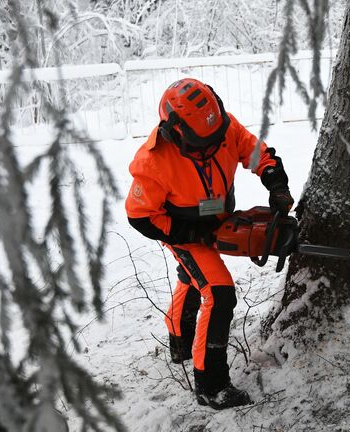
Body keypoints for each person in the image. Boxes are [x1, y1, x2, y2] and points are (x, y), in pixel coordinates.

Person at [125, 78, 294, 409]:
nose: (212, 149)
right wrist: (190, 234)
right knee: (218, 292)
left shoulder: (222, 127)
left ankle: (180, 337)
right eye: (203, 145)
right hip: (182, 230)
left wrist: (276, 183)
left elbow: (256, 151)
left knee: (194, 276)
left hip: (217, 216)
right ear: (176, 133)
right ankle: (210, 385)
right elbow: (140, 216)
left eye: (215, 141)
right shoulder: (154, 162)